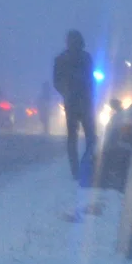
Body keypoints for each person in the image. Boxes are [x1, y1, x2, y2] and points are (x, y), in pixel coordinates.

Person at [53, 29, 97, 181]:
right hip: (84, 103)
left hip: (72, 103)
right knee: (90, 137)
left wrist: (66, 92)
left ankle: (76, 171)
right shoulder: (86, 58)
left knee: (73, 138)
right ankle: (89, 167)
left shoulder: (61, 59)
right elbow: (91, 80)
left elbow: (56, 82)